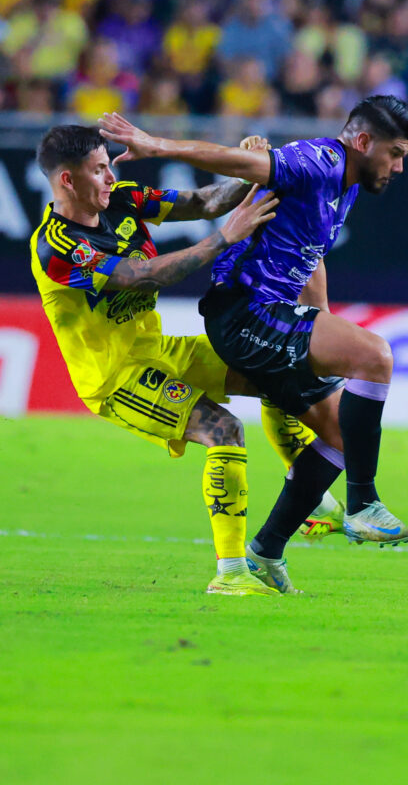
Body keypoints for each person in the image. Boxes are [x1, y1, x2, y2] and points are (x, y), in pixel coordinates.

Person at [98, 95, 408, 593]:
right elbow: (240, 161)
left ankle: (266, 552)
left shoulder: (347, 185)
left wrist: (326, 331)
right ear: (362, 142)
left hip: (275, 317)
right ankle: (362, 504)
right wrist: (154, 143)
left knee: (340, 432)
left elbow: (312, 258)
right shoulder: (320, 161)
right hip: (244, 311)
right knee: (375, 355)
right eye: (395, 153)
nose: (400, 166)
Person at [30, 124, 281, 597]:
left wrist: (248, 169)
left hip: (159, 351)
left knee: (273, 367)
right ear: (67, 181)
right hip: (115, 379)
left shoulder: (122, 198)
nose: (110, 177)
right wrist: (224, 239)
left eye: (108, 166)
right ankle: (230, 573)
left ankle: (308, 503)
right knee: (224, 430)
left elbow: (204, 202)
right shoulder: (56, 248)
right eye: (99, 169)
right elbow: (140, 277)